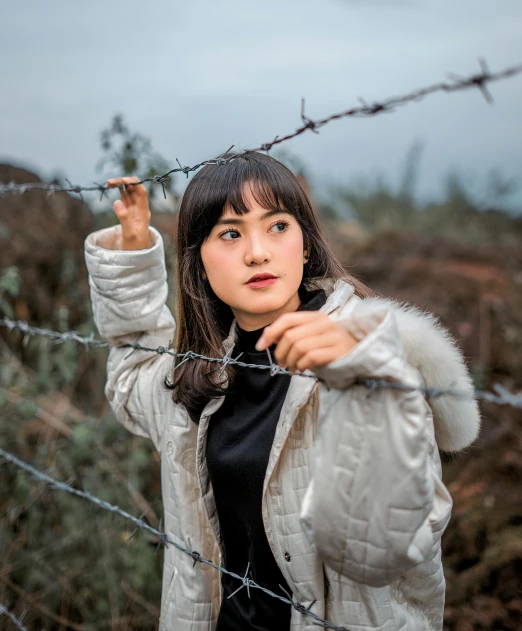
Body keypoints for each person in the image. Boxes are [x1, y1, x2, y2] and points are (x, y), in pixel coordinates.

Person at [84, 151, 480, 631]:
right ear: (199, 265)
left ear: (306, 246)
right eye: (230, 234)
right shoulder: (201, 373)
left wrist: (363, 371)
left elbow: (395, 546)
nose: (257, 252)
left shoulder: (364, 357)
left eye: (277, 227)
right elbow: (132, 377)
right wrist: (131, 250)